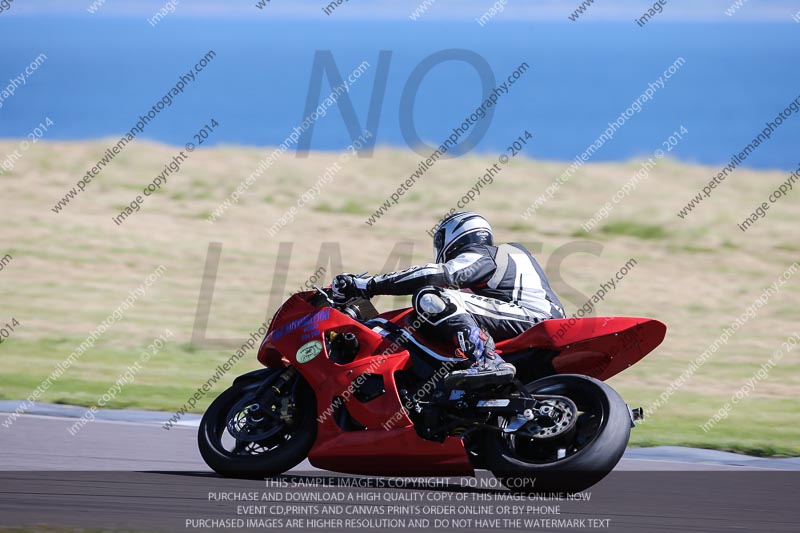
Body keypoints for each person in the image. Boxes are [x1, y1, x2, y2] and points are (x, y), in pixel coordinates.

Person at [332, 211, 565, 388]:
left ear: (452, 236)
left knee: (431, 294)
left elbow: (439, 274)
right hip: (533, 318)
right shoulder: (501, 267)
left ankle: (487, 361)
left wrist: (367, 285)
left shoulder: (486, 254)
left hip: (531, 317)